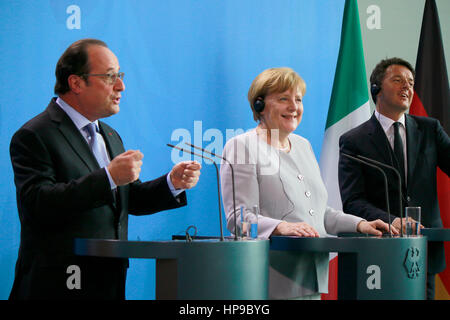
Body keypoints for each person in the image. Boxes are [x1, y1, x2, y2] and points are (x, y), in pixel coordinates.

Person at [8, 39, 201, 300]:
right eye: (110, 76)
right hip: (58, 284)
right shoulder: (35, 134)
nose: (121, 86)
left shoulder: (109, 134)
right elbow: (39, 204)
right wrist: (109, 176)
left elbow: (125, 198)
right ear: (76, 83)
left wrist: (172, 182)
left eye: (119, 75)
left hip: (108, 282)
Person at [220, 67, 395, 300]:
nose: (294, 107)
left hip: (312, 277)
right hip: (268, 281)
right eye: (284, 99)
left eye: (298, 99)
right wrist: (281, 227)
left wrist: (361, 225)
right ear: (259, 105)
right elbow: (239, 219)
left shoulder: (303, 146)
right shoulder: (241, 146)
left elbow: (319, 213)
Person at [338, 57, 450, 299]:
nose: (407, 87)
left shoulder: (430, 130)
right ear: (376, 89)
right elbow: (353, 201)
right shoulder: (353, 140)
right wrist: (392, 220)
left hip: (424, 251)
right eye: (398, 80)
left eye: (410, 82)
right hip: (379, 250)